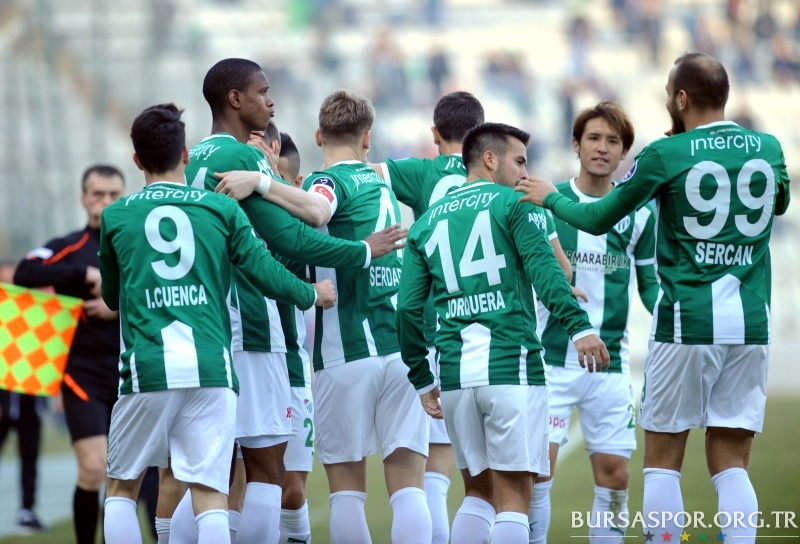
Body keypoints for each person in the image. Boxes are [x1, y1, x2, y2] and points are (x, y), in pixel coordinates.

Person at [516, 52, 791, 543]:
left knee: (663, 460)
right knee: (732, 462)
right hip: (751, 323)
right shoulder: (768, 147)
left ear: (681, 98)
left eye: (669, 94)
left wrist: (550, 198)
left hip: (687, 320)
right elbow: (781, 201)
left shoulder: (665, 154)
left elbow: (600, 216)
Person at [169, 58, 405, 544]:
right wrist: (361, 250)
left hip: (195, 323)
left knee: (208, 475)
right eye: (262, 91)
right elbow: (292, 239)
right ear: (235, 99)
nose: (271, 101)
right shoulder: (242, 155)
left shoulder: (192, 158)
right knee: (265, 472)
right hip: (248, 323)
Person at [98, 102, 336, 544]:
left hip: (148, 366)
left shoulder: (117, 215)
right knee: (211, 493)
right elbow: (263, 269)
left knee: (121, 489)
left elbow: (112, 298)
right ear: (185, 155)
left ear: (136, 160)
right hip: (212, 367)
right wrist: (310, 293)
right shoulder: (220, 209)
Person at [369, 91, 577, 544]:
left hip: (456, 377)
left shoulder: (426, 222)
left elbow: (408, 309)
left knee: (477, 494)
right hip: (510, 367)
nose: (525, 173)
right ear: (489, 159)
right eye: (519, 162)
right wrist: (579, 328)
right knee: (514, 499)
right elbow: (551, 275)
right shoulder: (515, 205)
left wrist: (422, 378)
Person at [528, 101, 658, 544]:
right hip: (550, 363)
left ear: (624, 153)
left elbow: (650, 285)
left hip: (610, 366)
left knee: (616, 477)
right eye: (594, 138)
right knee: (537, 474)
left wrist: (674, 317)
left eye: (613, 141)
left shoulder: (640, 214)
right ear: (576, 145)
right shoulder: (547, 204)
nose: (602, 148)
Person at [13, 164, 127, 544]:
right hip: (83, 375)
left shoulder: (137, 243)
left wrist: (116, 305)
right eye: (98, 194)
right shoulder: (70, 247)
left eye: (113, 195)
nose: (105, 201)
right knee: (94, 469)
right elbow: (25, 272)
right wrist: (84, 275)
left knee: (131, 477)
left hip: (133, 374)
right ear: (83, 198)